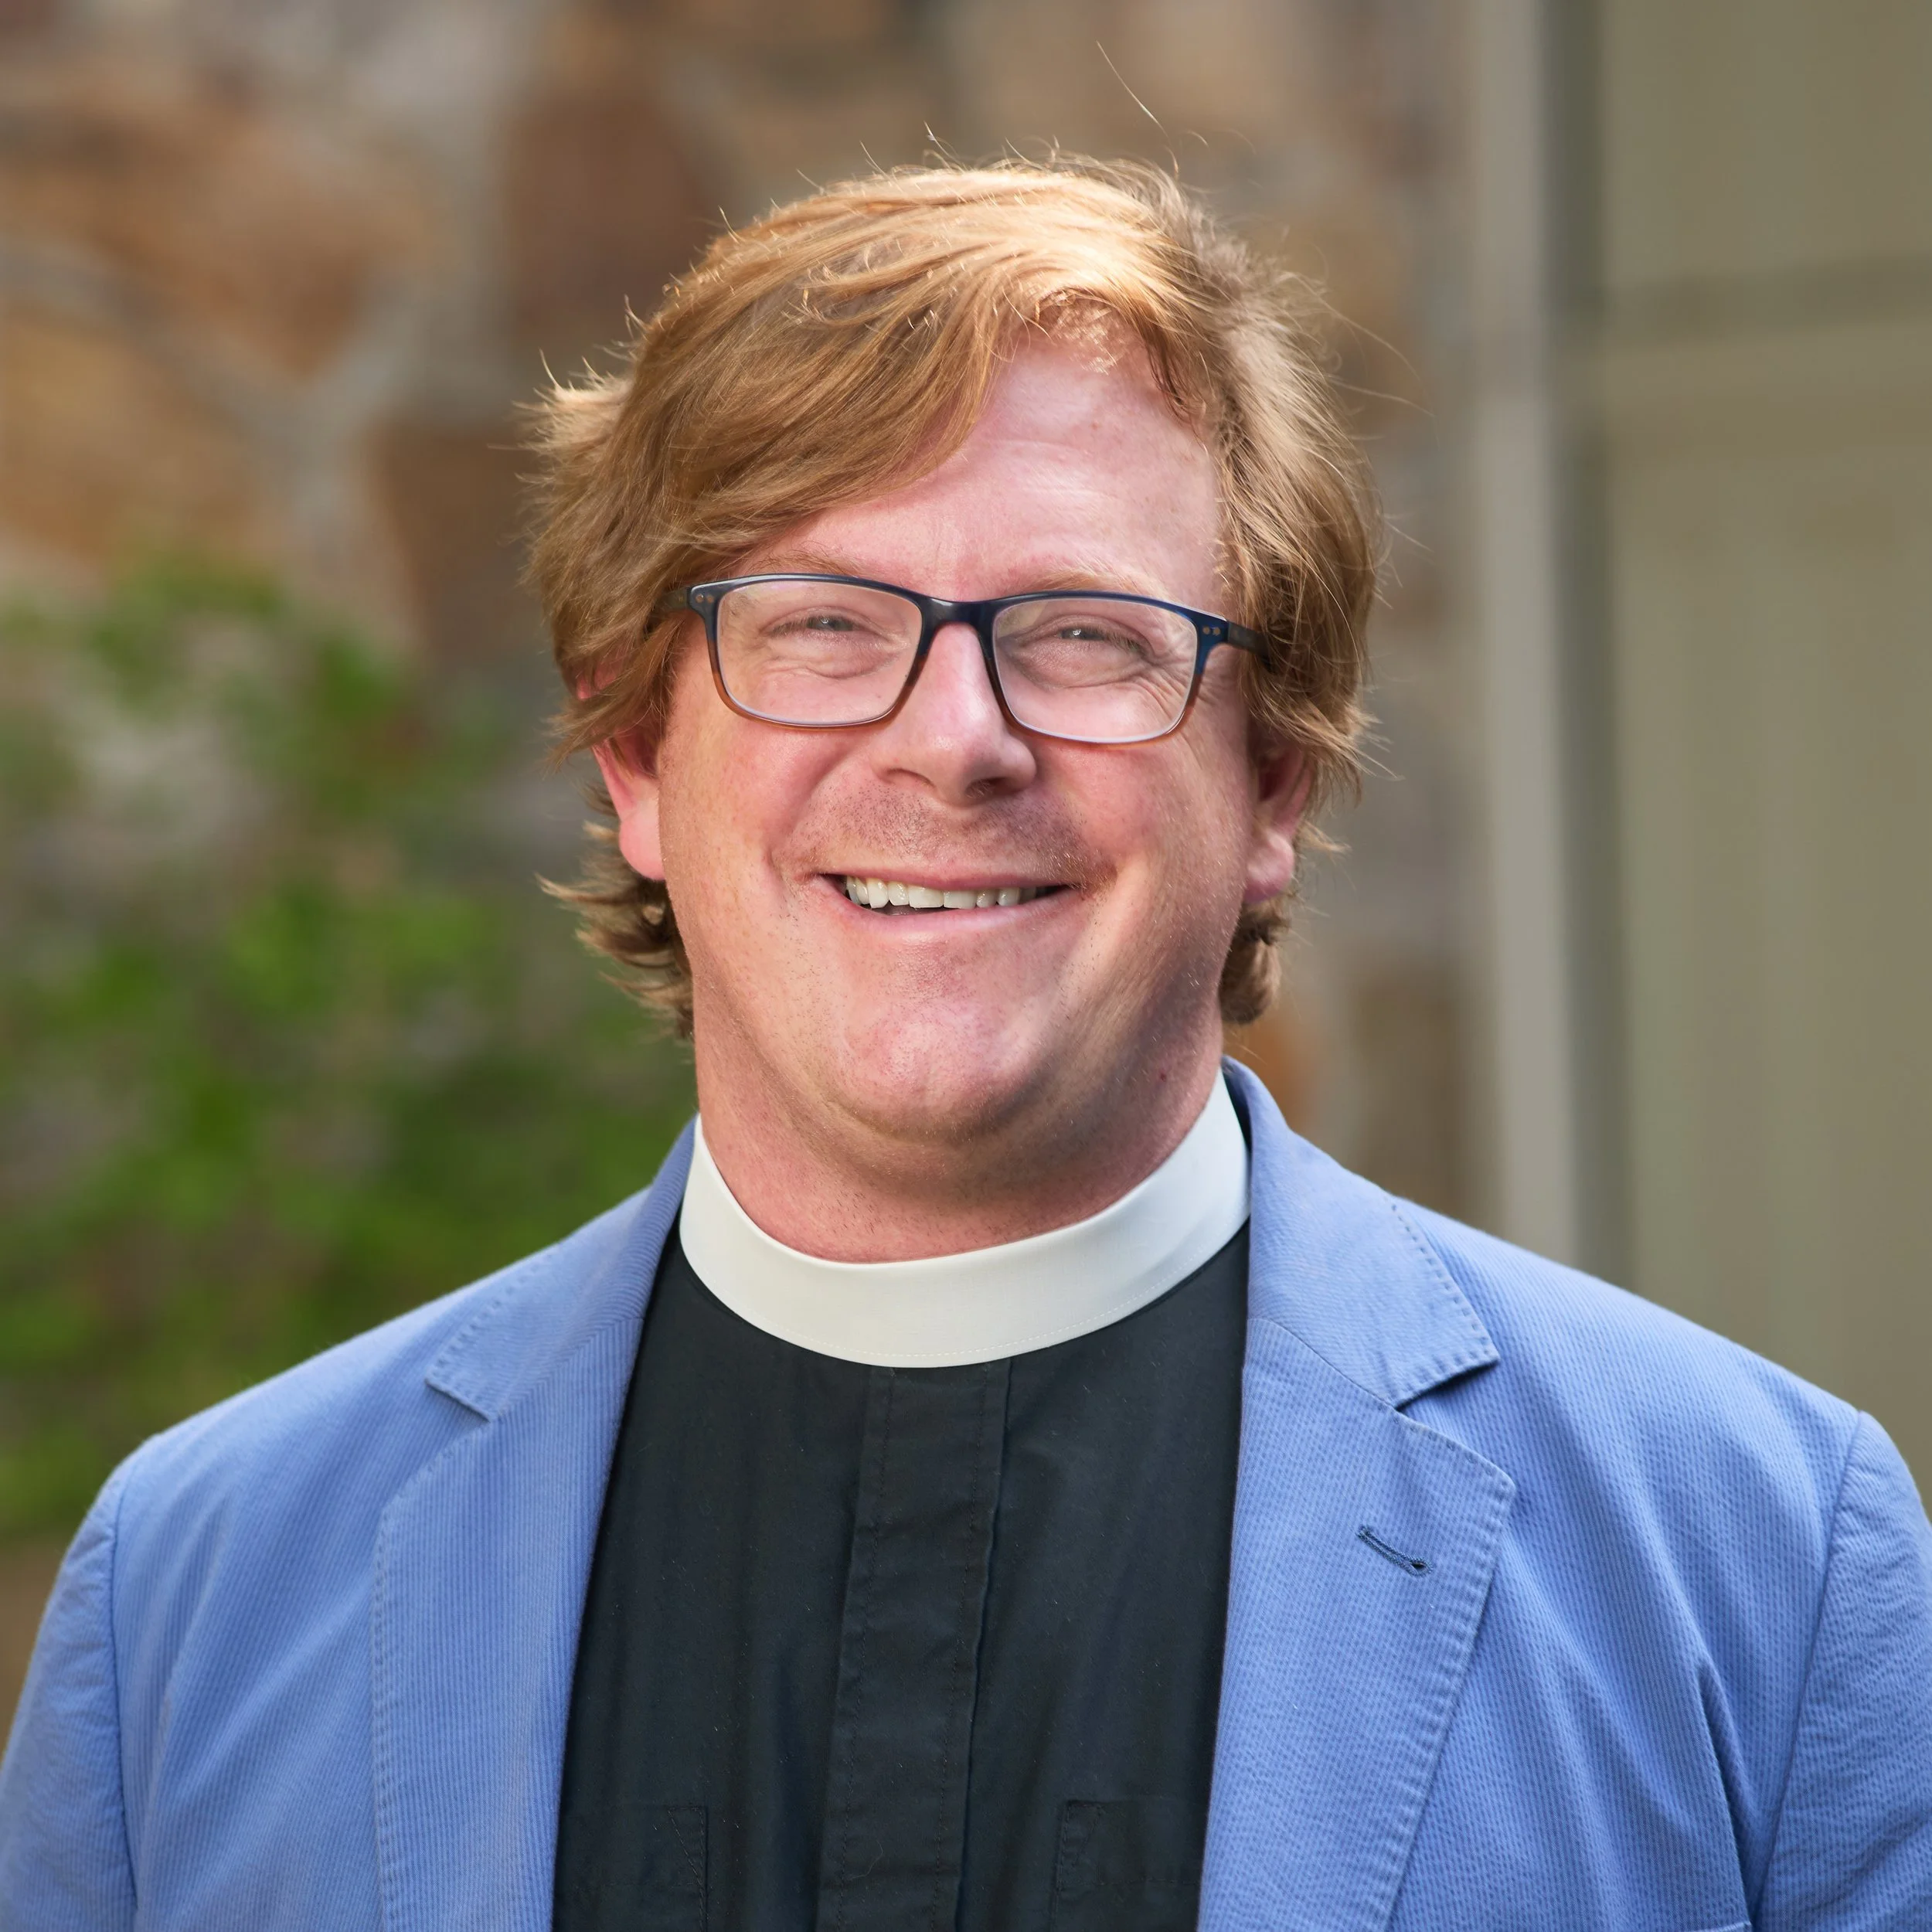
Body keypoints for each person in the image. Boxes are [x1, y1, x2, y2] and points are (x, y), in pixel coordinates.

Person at [3, 160, 1929, 1932]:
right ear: (633, 762)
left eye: (1085, 633)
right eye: (822, 622)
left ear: (1268, 774)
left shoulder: (1747, 1564)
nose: (954, 738)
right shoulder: (202, 1591)